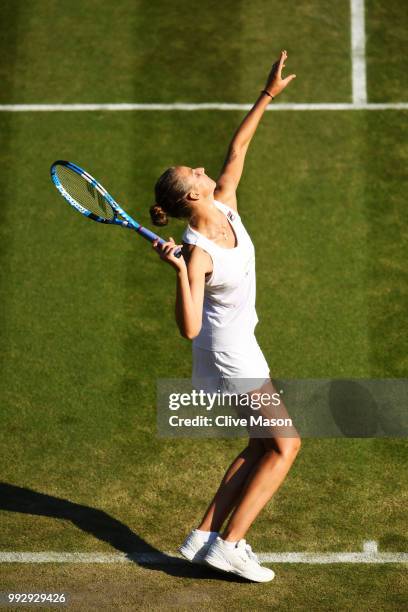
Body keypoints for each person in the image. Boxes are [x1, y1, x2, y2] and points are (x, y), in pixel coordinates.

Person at [151, 50, 301, 583]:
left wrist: (267, 94)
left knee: (260, 444)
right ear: (192, 193)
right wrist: (180, 274)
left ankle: (202, 534)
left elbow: (238, 147)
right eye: (192, 171)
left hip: (241, 343)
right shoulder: (198, 252)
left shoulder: (228, 202)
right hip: (227, 352)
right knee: (286, 444)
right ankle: (229, 545)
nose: (201, 166)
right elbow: (189, 327)